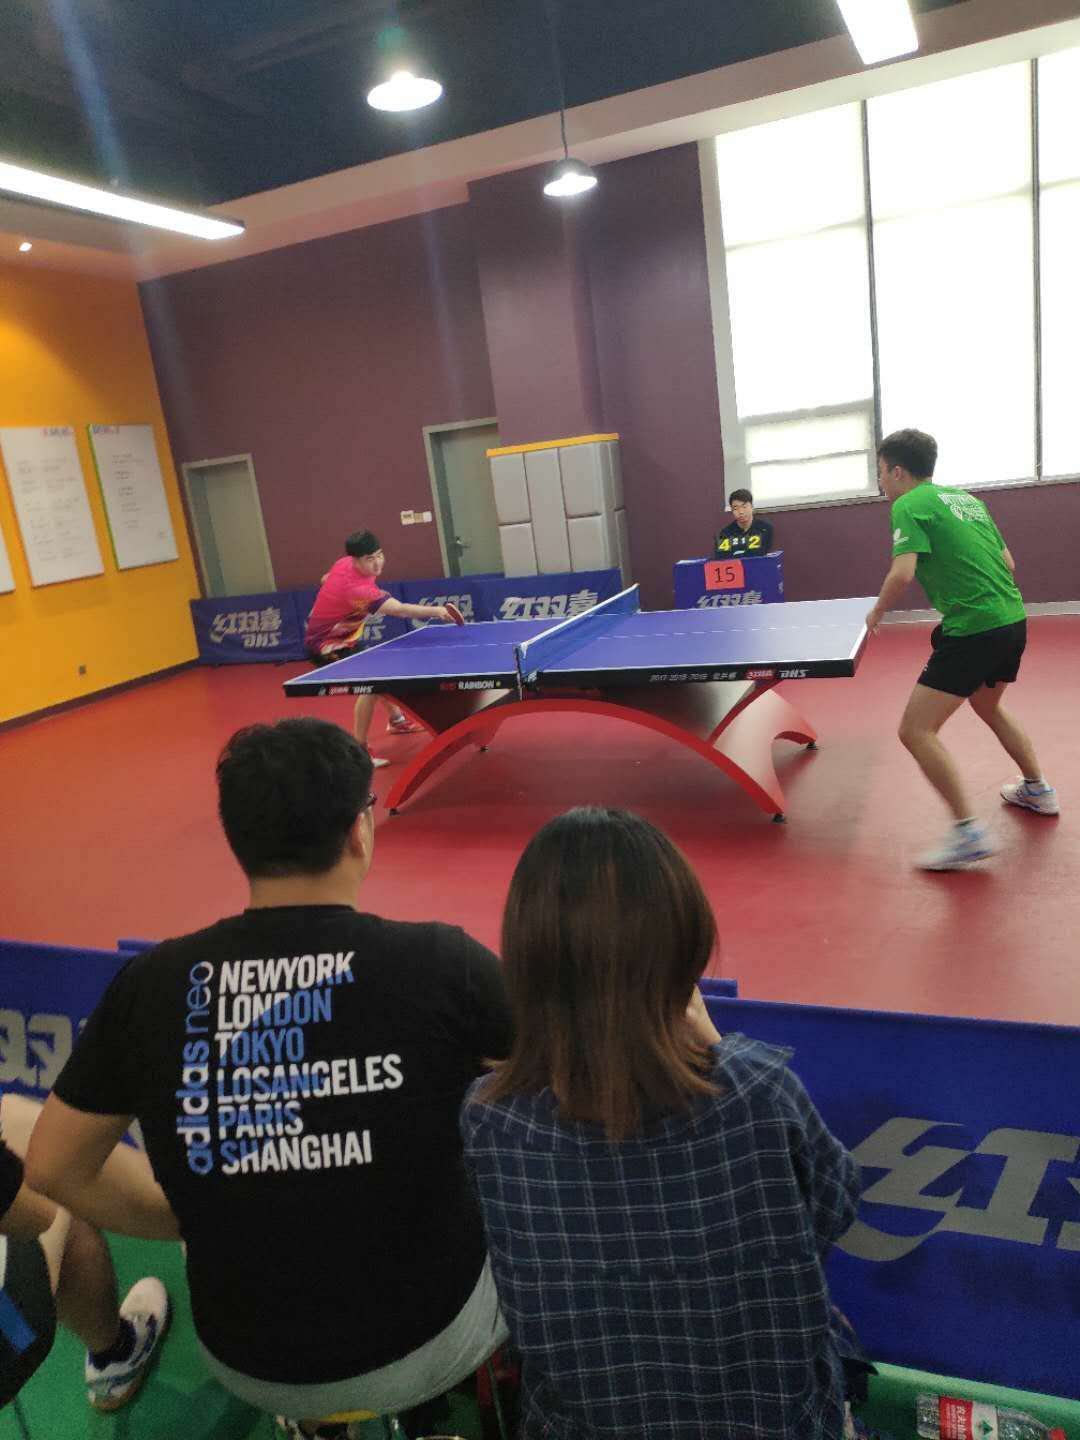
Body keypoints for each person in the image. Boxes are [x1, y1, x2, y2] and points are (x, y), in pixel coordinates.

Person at [26, 718, 513, 1439]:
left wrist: (195, 1213)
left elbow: (52, 1165)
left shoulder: (151, 984)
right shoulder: (446, 965)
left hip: (250, 1364)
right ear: (358, 832)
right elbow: (561, 1096)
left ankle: (314, 1419)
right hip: (435, 1343)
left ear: (239, 841)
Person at [461, 807, 865, 1440]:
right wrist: (716, 1045)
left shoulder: (492, 1119)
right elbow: (834, 1206)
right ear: (683, 952)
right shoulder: (758, 1090)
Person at [866, 429, 1058, 871]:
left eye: (881, 471)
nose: (881, 481)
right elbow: (1008, 563)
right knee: (988, 705)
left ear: (898, 471)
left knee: (915, 730)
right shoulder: (967, 500)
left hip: (974, 629)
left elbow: (902, 573)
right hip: (1012, 620)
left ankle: (968, 834)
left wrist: (877, 612)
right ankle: (1037, 789)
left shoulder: (907, 505)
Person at [1, 1092, 169, 1412]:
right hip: (9, 1341)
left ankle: (114, 1356)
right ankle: (116, 1354)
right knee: (41, 1153)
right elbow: (36, 1218)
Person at [304, 530, 454, 767]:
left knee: (381, 675)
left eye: (379, 555)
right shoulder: (358, 591)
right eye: (369, 559)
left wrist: (332, 592)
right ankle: (360, 751)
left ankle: (397, 721)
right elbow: (400, 610)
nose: (377, 563)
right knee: (371, 686)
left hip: (347, 639)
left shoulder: (343, 564)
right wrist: (437, 611)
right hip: (326, 645)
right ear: (355, 560)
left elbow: (325, 578)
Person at [714, 488, 774, 558]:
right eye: (736, 508)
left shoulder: (764, 529)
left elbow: (761, 554)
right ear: (732, 510)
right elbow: (723, 559)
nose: (741, 512)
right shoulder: (725, 534)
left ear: (752, 507)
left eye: (744, 507)